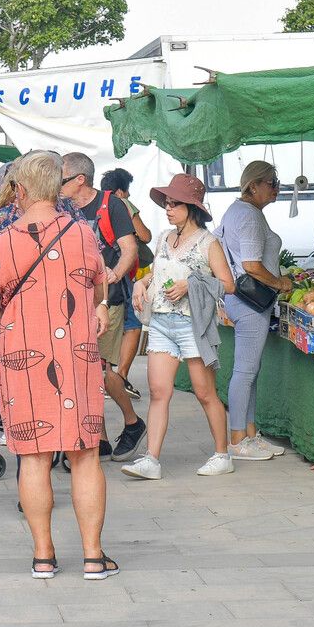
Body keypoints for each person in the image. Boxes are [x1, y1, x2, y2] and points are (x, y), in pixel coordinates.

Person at [0, 151, 117, 579]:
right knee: (85, 454)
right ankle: (93, 557)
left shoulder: (1, 243)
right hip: (77, 356)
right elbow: (96, 289)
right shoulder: (83, 234)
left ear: (18, 190)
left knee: (34, 458)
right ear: (57, 188)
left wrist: (15, 324)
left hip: (24, 359)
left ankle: (43, 556)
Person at [125, 175, 235, 479]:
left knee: (205, 393)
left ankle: (222, 454)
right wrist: (141, 282)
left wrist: (192, 283)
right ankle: (151, 459)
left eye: (174, 203)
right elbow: (156, 274)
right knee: (159, 392)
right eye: (167, 203)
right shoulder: (162, 238)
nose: (168, 208)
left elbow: (229, 285)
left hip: (192, 325)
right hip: (160, 322)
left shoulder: (208, 242)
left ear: (191, 207)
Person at [60, 152, 146, 460]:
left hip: (107, 300)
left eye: (63, 178)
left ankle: (132, 422)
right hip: (72, 302)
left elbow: (129, 247)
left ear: (79, 180)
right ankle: (102, 438)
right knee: (89, 370)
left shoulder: (112, 205)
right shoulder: (62, 208)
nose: (58, 185)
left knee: (98, 368)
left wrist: (116, 272)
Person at [214, 160, 293, 461]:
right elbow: (251, 265)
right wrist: (280, 282)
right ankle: (238, 439)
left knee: (250, 371)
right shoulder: (248, 217)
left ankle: (249, 433)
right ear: (253, 185)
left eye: (277, 182)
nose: (277, 188)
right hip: (251, 303)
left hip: (240, 301)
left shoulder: (238, 211)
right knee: (245, 372)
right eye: (272, 182)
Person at [101, 168, 152, 397]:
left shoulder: (96, 206)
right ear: (121, 190)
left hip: (103, 276)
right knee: (133, 323)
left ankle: (110, 374)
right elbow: (146, 235)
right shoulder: (122, 204)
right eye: (128, 190)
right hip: (125, 275)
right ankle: (120, 376)